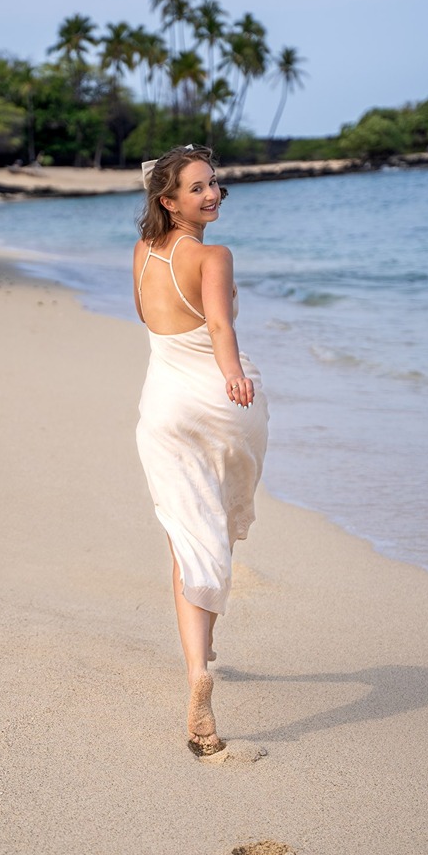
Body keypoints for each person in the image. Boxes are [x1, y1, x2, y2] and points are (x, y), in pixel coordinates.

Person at [133, 144, 269, 757]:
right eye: (196, 188)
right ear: (169, 200)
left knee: (186, 536)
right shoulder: (214, 255)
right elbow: (219, 327)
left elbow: (148, 319)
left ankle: (198, 668)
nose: (211, 195)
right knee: (214, 528)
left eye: (214, 184)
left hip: (163, 407)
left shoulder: (142, 254)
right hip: (216, 402)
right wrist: (235, 375)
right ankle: (202, 663)